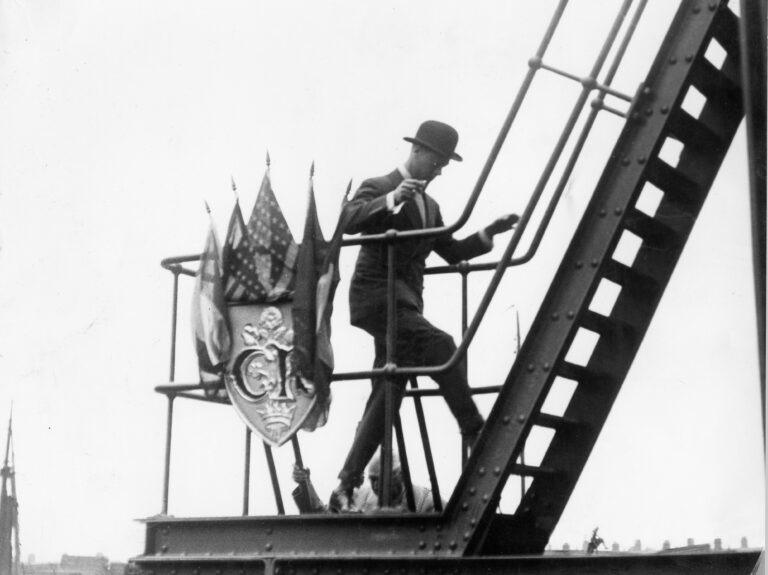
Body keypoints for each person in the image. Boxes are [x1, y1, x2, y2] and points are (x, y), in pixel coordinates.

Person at [332, 120, 519, 510]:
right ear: (416, 152)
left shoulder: (431, 207)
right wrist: (392, 199)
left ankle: (345, 484)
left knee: (388, 391)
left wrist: (489, 233)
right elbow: (348, 221)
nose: (439, 171)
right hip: (376, 299)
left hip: (403, 307)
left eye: (444, 166)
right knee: (441, 345)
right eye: (436, 162)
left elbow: (452, 252)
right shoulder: (381, 185)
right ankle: (474, 431)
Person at [292, 451, 437, 513]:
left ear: (401, 476)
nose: (375, 486)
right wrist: (305, 484)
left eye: (380, 480)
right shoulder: (361, 496)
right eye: (372, 479)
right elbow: (327, 522)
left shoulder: (428, 503)